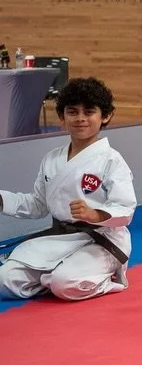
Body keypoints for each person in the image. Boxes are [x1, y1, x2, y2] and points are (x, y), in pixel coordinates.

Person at [0, 78, 134, 301]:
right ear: (62, 117)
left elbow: (126, 209)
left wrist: (95, 214)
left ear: (106, 116)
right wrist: (2, 200)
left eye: (89, 111)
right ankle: (50, 279)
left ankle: (107, 279)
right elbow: (37, 205)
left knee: (65, 284)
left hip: (102, 239)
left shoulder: (112, 160)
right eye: (72, 112)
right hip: (61, 238)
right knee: (4, 279)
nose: (80, 118)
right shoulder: (51, 159)